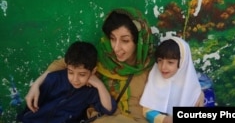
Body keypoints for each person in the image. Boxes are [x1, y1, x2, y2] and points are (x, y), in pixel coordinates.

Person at [24, 7, 155, 123]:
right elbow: (63, 64)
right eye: (113, 38)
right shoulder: (100, 56)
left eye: (125, 40)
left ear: (139, 41)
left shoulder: (153, 67)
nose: (116, 47)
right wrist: (36, 85)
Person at [17, 41, 117, 123]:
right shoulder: (54, 79)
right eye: (71, 72)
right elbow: (31, 107)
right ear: (67, 67)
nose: (75, 79)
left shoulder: (90, 92)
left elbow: (109, 109)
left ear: (93, 71)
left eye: (82, 74)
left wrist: (99, 85)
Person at [139, 36, 204, 123]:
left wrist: (200, 93)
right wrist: (166, 120)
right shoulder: (155, 79)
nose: (163, 67)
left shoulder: (194, 89)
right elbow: (146, 111)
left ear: (182, 62)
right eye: (160, 60)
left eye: (170, 62)